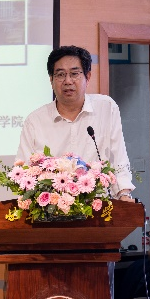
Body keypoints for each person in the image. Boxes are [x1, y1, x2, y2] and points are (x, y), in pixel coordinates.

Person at [17, 45, 136, 202]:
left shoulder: (106, 108)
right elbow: (24, 172)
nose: (68, 81)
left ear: (88, 76)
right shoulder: (35, 121)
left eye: (74, 74)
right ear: (51, 80)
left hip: (99, 206)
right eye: (60, 75)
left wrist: (124, 194)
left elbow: (118, 158)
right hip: (52, 209)